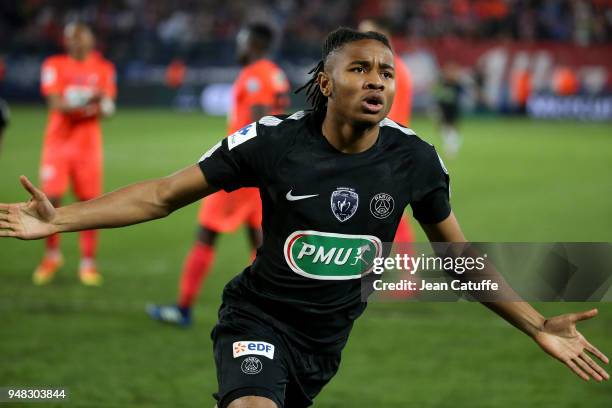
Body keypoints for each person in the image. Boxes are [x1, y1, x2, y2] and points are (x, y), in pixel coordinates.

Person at [0, 28, 608, 408]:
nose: (377, 80)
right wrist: (60, 221)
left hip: (324, 344)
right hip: (256, 316)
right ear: (326, 81)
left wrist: (535, 325)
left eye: (387, 72)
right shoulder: (272, 142)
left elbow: (459, 262)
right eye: (361, 68)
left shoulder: (415, 160)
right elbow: (162, 194)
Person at [147, 23, 290, 326]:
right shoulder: (274, 73)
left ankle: (183, 308)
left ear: (252, 44)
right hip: (261, 173)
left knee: (207, 232)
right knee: (260, 242)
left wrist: (236, 165)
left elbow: (260, 122)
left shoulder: (255, 76)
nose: (238, 47)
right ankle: (274, 310)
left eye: (241, 41)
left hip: (242, 172)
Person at [33, 22, 116, 286]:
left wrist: (78, 99)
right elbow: (57, 104)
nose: (74, 43)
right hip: (57, 144)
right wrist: (90, 98)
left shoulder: (104, 68)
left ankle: (88, 263)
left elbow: (108, 109)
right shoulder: (54, 64)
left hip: (87, 147)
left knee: (89, 203)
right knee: (51, 199)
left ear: (91, 40)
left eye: (79, 38)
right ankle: (52, 255)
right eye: (70, 38)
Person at [358, 17, 416, 288]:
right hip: (384, 147)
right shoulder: (390, 67)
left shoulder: (389, 70)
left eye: (366, 33)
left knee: (386, 211)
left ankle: (406, 275)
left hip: (384, 147)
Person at [434, 61, 463, 158]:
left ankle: (451, 147)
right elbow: (438, 97)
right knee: (443, 129)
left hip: (453, 110)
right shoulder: (443, 84)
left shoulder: (457, 85)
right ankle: (451, 144)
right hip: (443, 110)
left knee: (451, 129)